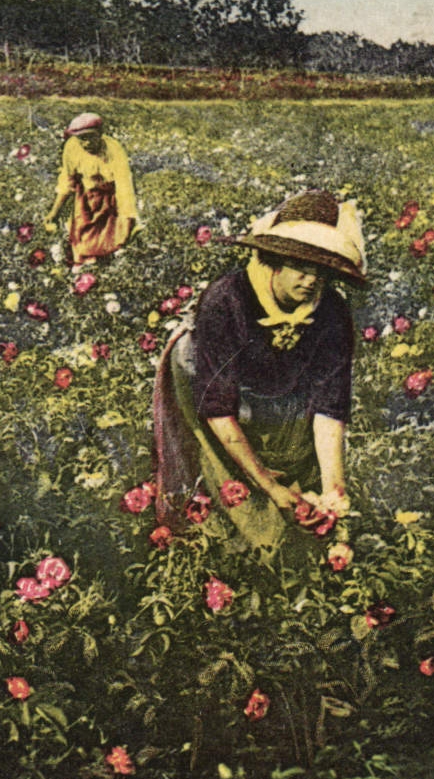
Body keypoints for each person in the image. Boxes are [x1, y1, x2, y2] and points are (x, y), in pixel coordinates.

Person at [151, 189, 365, 550]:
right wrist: (268, 484)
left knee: (301, 482)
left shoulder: (331, 312)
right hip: (209, 390)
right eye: (300, 267)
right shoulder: (226, 302)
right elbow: (218, 409)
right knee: (230, 492)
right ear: (274, 261)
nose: (311, 281)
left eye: (321, 272)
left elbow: (329, 408)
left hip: (280, 391)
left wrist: (335, 492)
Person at [42, 111, 138, 263]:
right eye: (82, 139)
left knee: (111, 238)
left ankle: (104, 267)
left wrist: (127, 218)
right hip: (85, 198)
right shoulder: (72, 148)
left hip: (109, 200)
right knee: (82, 236)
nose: (86, 143)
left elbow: (124, 186)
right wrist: (54, 212)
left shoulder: (113, 150)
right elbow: (68, 180)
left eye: (91, 137)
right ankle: (82, 269)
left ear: (100, 134)